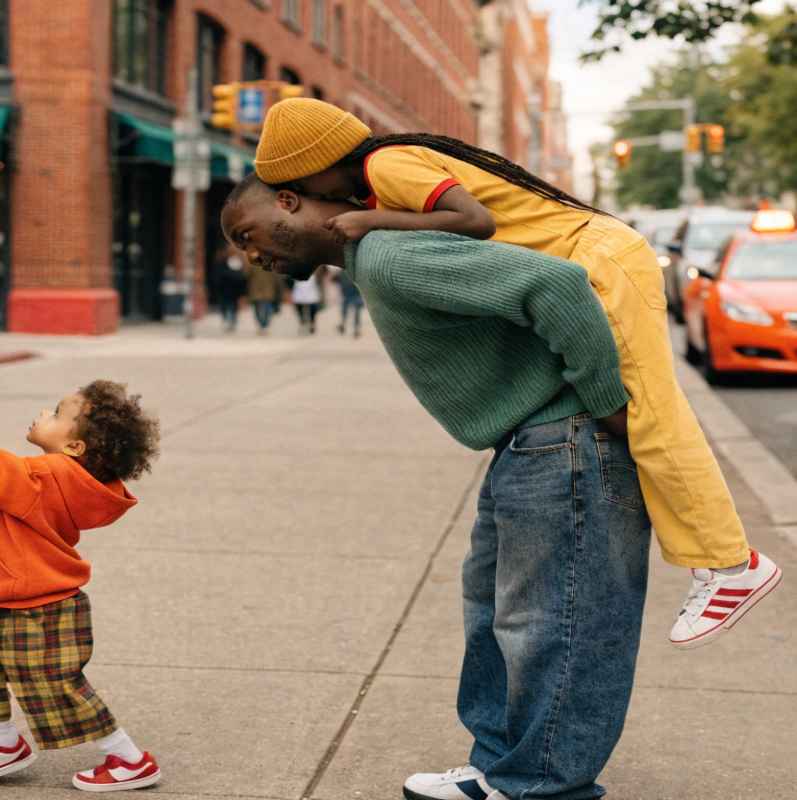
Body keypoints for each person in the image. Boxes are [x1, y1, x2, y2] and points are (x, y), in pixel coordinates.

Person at [220, 173, 733, 800]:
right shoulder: (376, 254)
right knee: (500, 618)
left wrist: (606, 406)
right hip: (527, 444)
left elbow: (558, 285)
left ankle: (544, 786)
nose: (250, 256)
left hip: (565, 440)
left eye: (247, 235)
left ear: (290, 201)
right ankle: (498, 769)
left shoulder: (386, 253)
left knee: (560, 623)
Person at [252, 98, 780, 649]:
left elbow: (475, 222)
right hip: (596, 256)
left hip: (599, 260)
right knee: (647, 413)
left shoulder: (384, 167)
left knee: (650, 413)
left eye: (296, 185)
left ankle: (729, 564)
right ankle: (718, 562)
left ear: (311, 165)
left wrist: (372, 219)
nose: (309, 200)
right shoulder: (385, 167)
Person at [0, 381, 161, 793]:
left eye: (55, 414)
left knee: (54, 685)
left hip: (34, 607)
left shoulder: (43, 475)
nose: (43, 414)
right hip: (8, 599)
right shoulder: (52, 478)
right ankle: (3, 746)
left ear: (74, 448)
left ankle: (129, 758)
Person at [243, 255, 285, 334]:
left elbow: (246, 276)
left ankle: (262, 324)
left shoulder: (252, 265)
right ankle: (264, 324)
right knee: (266, 308)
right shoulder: (272, 266)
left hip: (255, 291)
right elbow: (278, 280)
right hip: (268, 291)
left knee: (257, 309)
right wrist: (279, 291)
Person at [209, 245, 247, 331]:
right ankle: (226, 319)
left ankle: (231, 320)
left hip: (233, 288)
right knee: (225, 304)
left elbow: (241, 277)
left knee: (232, 305)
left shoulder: (237, 262)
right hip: (225, 287)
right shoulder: (223, 262)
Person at [290, 265, 325, 335]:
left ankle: (309, 323)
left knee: (311, 308)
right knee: (304, 308)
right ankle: (305, 322)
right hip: (302, 290)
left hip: (309, 289)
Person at [334, 267, 364, 337]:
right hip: (348, 293)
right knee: (347, 310)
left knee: (354, 311)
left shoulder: (354, 270)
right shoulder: (343, 270)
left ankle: (355, 328)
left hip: (354, 293)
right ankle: (345, 324)